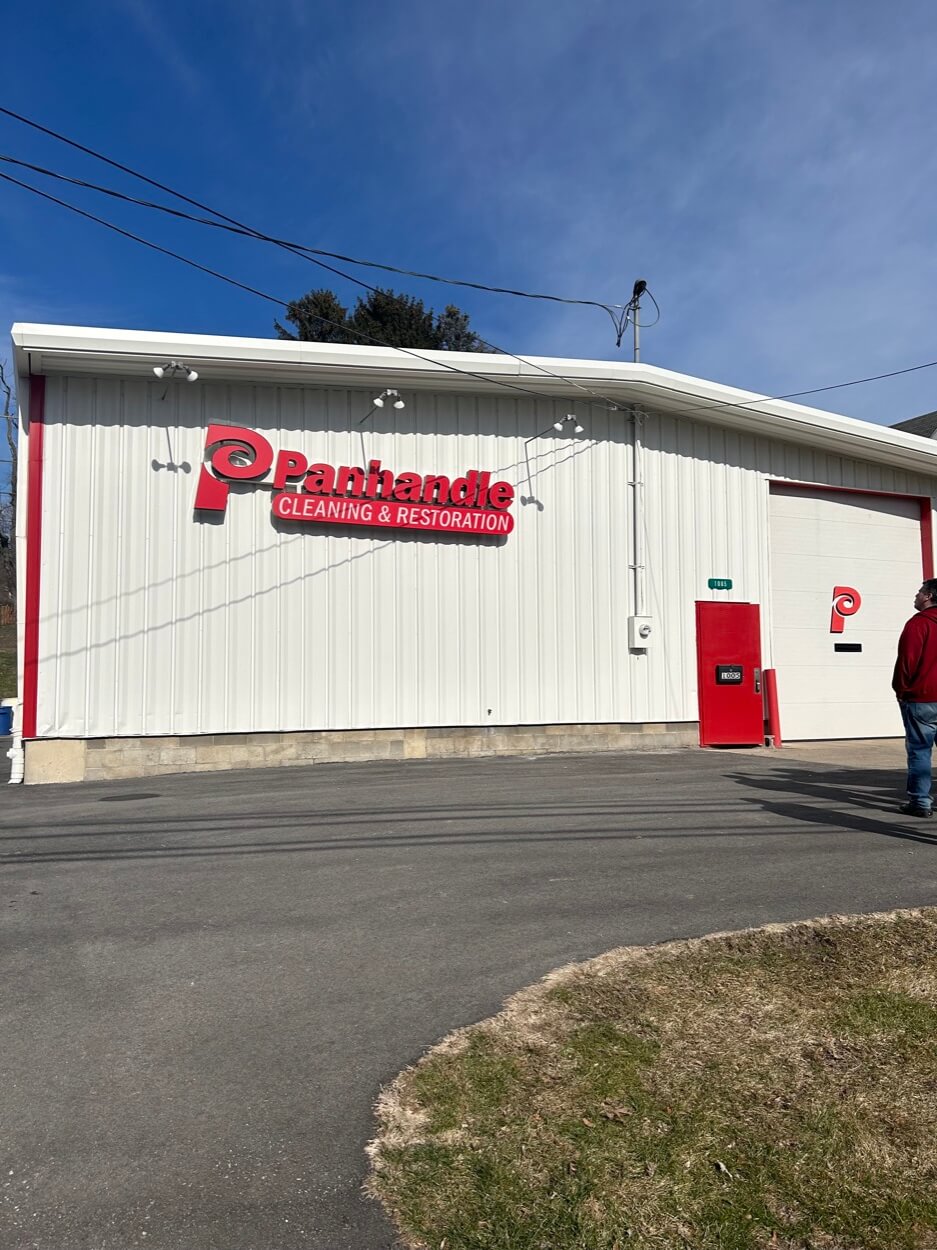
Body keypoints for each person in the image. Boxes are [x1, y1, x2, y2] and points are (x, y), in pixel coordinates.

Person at [893, 578, 937, 817]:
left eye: (919, 592)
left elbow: (907, 662)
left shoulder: (918, 624)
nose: (916, 595)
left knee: (920, 750)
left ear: (929, 596)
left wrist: (901, 691)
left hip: (922, 698)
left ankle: (920, 802)